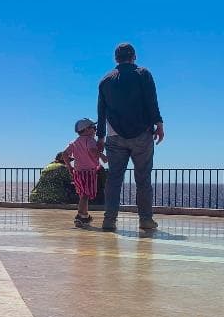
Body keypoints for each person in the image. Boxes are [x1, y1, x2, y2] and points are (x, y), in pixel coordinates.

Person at [96, 42, 165, 232]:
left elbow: (101, 111)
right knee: (143, 179)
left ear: (116, 59)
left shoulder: (105, 81)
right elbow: (151, 101)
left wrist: (100, 137)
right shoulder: (143, 74)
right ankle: (145, 219)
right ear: (134, 56)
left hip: (114, 136)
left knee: (114, 180)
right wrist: (158, 123)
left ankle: (109, 220)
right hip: (141, 135)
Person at [64, 118, 107, 225]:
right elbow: (92, 150)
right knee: (85, 195)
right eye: (94, 128)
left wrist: (69, 167)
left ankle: (85, 215)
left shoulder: (75, 142)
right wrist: (102, 156)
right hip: (88, 172)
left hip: (78, 172)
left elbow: (64, 154)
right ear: (87, 129)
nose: (95, 130)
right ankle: (79, 215)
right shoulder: (90, 140)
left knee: (83, 194)